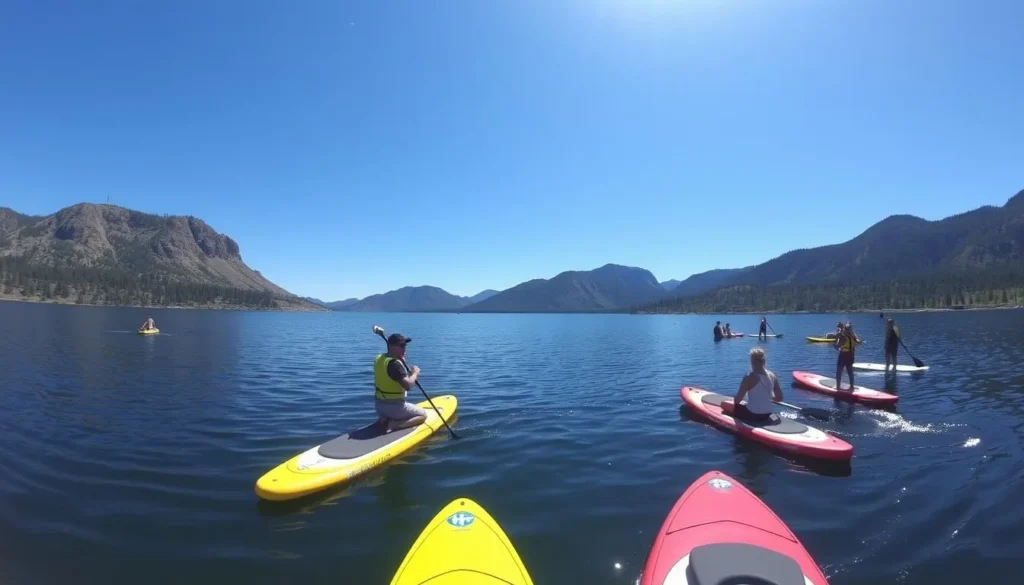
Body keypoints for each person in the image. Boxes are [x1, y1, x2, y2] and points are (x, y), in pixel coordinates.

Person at [373, 333, 428, 432]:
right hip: (395, 407)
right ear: (391, 346)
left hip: (379, 406)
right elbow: (408, 385)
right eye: (401, 346)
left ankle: (385, 419)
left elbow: (390, 373)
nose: (404, 349)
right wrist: (415, 373)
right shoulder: (395, 364)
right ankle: (394, 424)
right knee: (423, 415)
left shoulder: (379, 358)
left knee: (391, 410)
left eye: (405, 345)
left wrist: (400, 361)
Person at [729, 347, 783, 422]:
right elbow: (779, 398)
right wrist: (768, 396)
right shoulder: (772, 375)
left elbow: (737, 400)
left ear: (752, 361)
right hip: (768, 414)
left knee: (735, 407)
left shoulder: (749, 377)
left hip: (753, 415)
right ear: (764, 361)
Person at [834, 322, 861, 390]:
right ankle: (851, 387)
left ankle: (837, 388)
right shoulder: (853, 335)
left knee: (839, 371)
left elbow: (837, 347)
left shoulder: (843, 337)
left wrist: (837, 339)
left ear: (845, 329)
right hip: (851, 355)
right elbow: (858, 341)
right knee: (850, 371)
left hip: (843, 355)